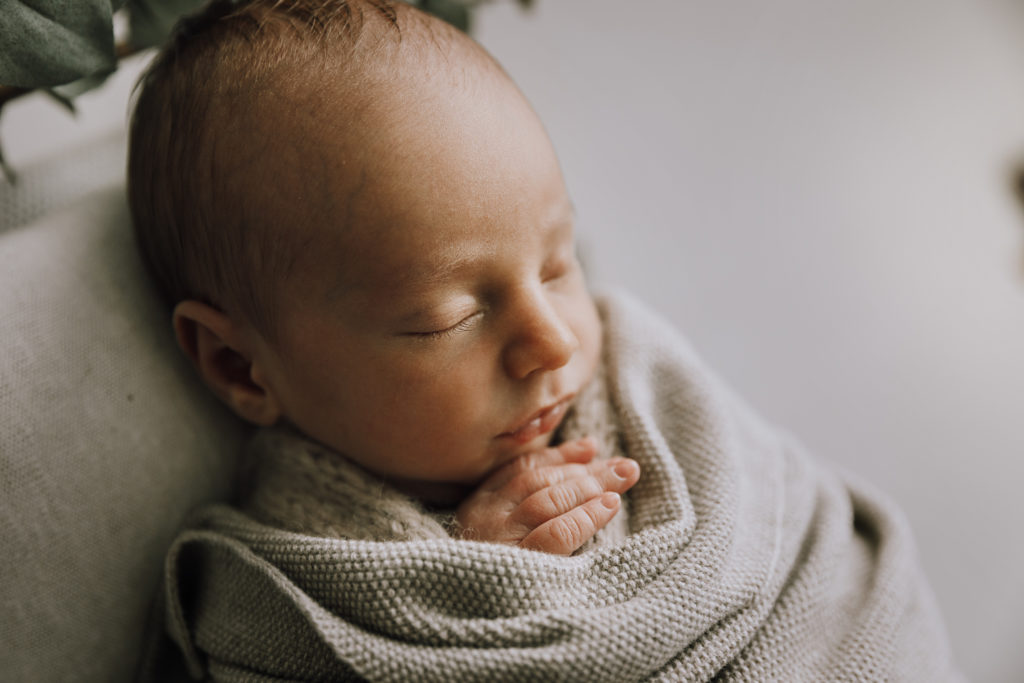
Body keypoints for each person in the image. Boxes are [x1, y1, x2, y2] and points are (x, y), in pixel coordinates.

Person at [129, 1, 961, 680]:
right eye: (449, 317)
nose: (555, 340)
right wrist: (475, 581)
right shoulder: (296, 583)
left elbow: (786, 523)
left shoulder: (636, 375)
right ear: (241, 364)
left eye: (559, 264)